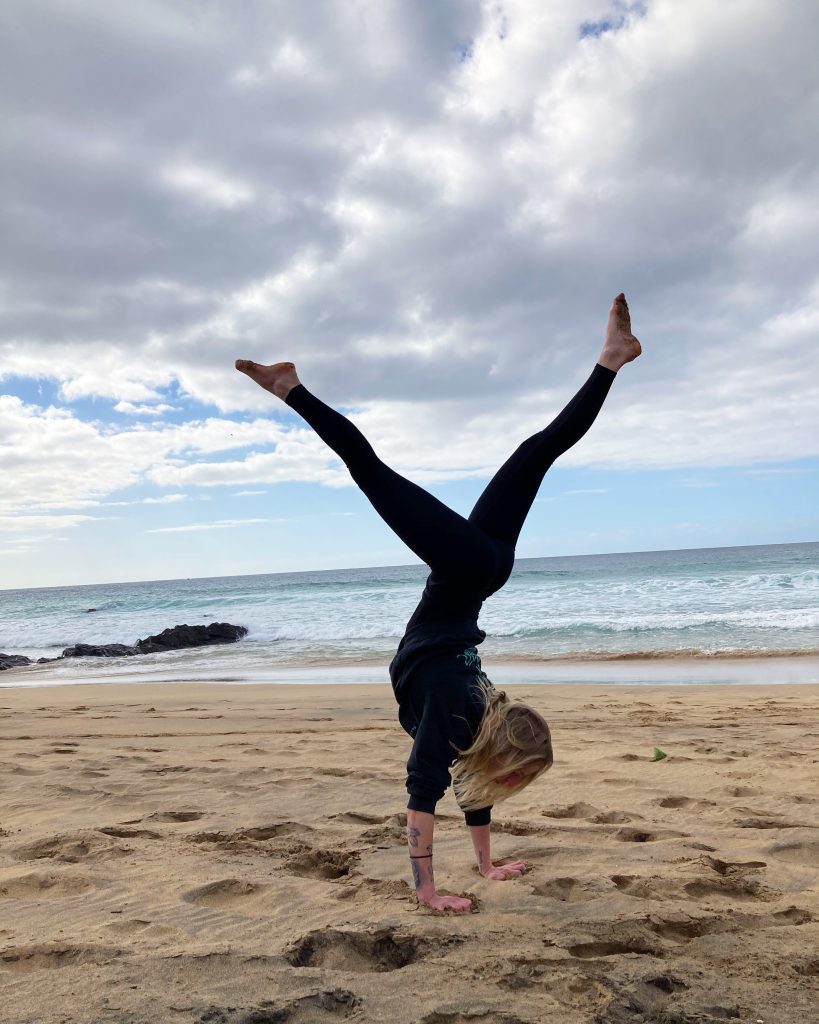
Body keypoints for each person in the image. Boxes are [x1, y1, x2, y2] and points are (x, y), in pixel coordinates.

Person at [236, 293, 641, 913]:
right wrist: (426, 892)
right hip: (466, 569)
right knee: (370, 471)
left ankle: (611, 361)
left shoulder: (475, 720)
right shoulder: (460, 710)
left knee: (537, 452)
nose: (501, 782)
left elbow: (464, 784)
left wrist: (486, 866)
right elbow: (421, 793)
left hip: (483, 573)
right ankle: (291, 388)